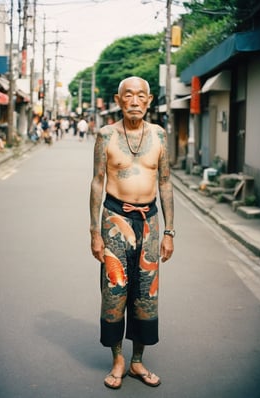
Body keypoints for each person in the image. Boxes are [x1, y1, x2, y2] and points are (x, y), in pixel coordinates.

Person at [89, 76, 174, 389]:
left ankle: (137, 360)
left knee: (146, 293)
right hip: (114, 219)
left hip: (150, 223)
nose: (135, 101)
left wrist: (170, 232)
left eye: (141, 96)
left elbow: (165, 182)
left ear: (149, 101)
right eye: (129, 96)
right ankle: (118, 358)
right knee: (114, 292)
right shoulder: (106, 135)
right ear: (118, 99)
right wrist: (94, 231)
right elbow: (98, 180)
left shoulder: (161, 136)